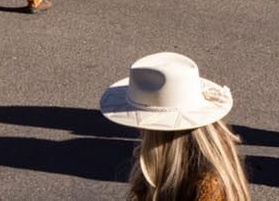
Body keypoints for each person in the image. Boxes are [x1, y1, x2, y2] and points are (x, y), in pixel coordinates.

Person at [100, 52, 253, 201]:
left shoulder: (207, 190)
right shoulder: (215, 172)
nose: (140, 136)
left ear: (158, 137)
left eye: (143, 129)